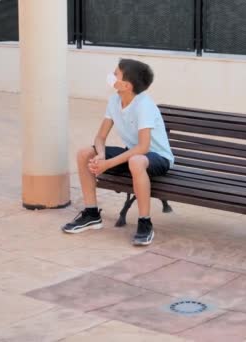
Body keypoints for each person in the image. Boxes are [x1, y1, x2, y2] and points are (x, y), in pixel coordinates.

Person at [61, 59, 174, 246]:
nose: (111, 77)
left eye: (116, 74)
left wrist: (108, 164)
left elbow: (144, 147)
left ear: (126, 85)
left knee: (136, 161)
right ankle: (91, 214)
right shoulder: (115, 101)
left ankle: (145, 223)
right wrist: (101, 156)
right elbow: (100, 137)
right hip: (134, 155)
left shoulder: (143, 105)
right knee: (84, 154)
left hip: (158, 158)